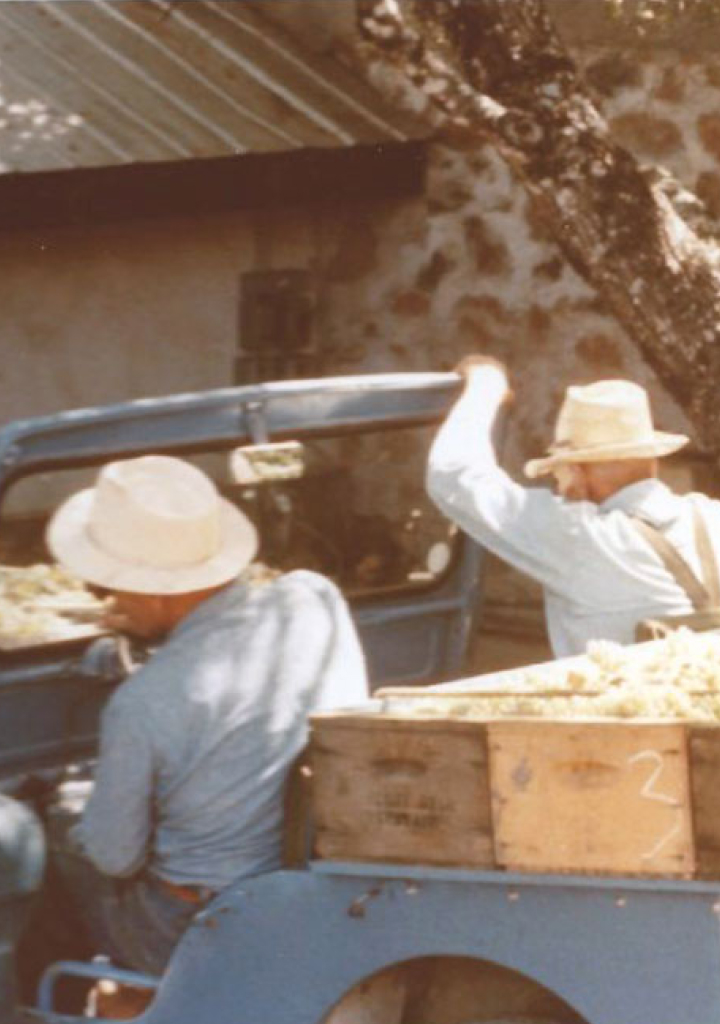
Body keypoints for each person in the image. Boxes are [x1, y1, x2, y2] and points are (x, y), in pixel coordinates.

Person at [44, 454, 368, 979]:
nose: (110, 597)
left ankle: (71, 996)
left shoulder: (142, 703)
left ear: (152, 590)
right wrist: (151, 631)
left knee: (55, 833)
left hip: (189, 925)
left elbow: (114, 859)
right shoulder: (315, 599)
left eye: (111, 584)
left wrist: (70, 826)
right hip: (304, 889)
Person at [426, 355, 720, 657]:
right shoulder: (711, 516)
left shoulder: (583, 538)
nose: (559, 488)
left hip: (625, 705)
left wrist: (486, 385)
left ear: (577, 473)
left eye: (558, 473)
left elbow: (452, 476)